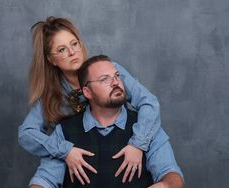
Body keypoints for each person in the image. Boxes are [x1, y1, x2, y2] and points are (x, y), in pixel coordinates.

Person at [18, 16, 161, 186]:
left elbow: (149, 103)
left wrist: (138, 144)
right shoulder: (51, 95)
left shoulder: (108, 70)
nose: (72, 52)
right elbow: (26, 133)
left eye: (74, 44)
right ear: (51, 59)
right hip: (81, 162)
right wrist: (65, 150)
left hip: (120, 147)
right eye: (62, 49)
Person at [29, 55, 184, 188]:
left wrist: (165, 185)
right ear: (87, 92)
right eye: (104, 79)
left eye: (117, 76)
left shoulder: (146, 126)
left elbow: (171, 174)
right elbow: (45, 180)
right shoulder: (65, 131)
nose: (115, 82)